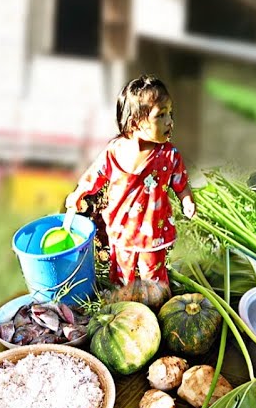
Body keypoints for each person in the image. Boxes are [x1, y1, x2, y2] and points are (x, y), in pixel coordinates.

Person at [65, 75, 195, 299]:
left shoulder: (168, 155)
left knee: (152, 275)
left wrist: (187, 200)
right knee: (122, 274)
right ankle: (124, 306)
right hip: (121, 229)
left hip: (152, 231)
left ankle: (156, 307)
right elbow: (95, 175)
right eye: (160, 115)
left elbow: (180, 182)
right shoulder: (114, 150)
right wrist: (79, 193)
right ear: (136, 122)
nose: (169, 121)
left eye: (170, 113)